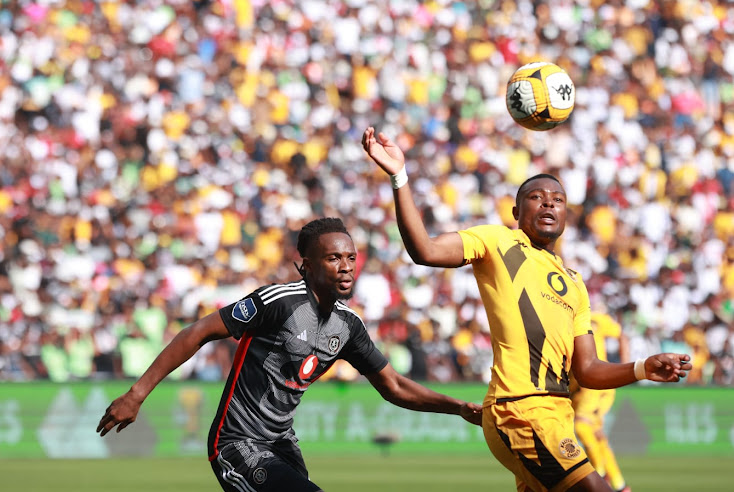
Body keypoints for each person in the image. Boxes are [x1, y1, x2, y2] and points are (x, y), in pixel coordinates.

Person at [362, 127, 692, 492]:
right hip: (518, 410)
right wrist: (399, 176)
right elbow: (424, 250)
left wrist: (643, 367)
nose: (549, 203)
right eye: (537, 197)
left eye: (558, 199)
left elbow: (589, 369)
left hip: (557, 416)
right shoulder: (497, 241)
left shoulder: (574, 284)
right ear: (518, 211)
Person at [97, 217, 482, 492]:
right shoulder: (277, 301)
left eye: (350, 257)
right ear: (307, 266)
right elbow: (197, 332)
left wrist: (458, 408)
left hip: (281, 445)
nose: (346, 267)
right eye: (333, 259)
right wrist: (136, 393)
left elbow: (394, 386)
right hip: (237, 443)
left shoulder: (349, 327)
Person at [570, 311, 631, 492]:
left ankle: (600, 474)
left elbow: (622, 336)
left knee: (582, 425)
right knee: (596, 434)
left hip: (594, 378)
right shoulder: (560, 313)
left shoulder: (595, 318)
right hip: (577, 383)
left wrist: (625, 368)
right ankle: (620, 485)